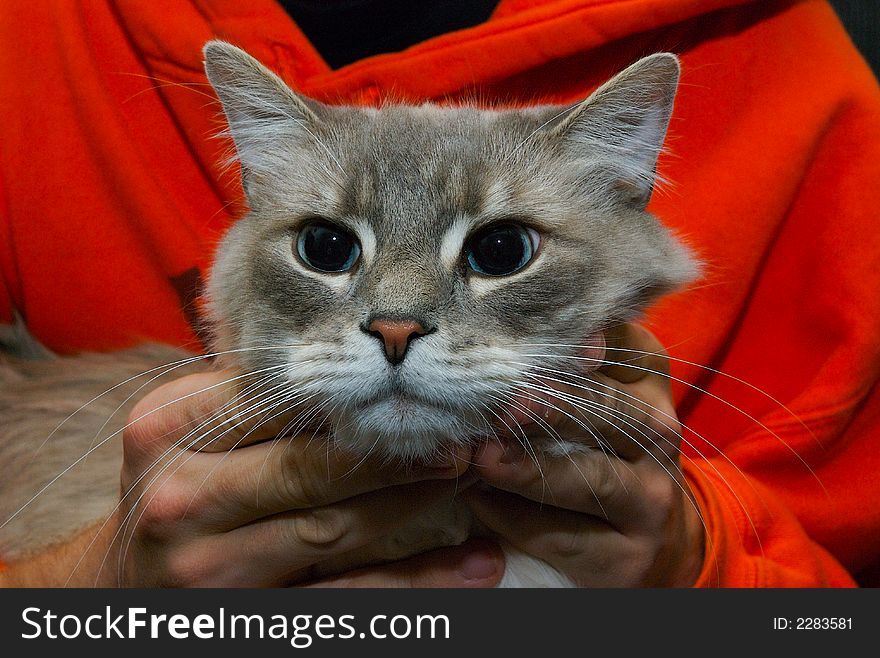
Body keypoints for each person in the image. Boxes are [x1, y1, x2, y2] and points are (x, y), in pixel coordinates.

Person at [0, 0, 878, 587]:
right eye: (326, 245)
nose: (397, 323)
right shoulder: (33, 30)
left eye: (498, 248)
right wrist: (96, 589)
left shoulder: (779, 57)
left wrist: (698, 558)